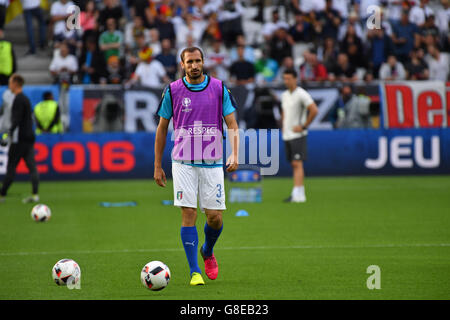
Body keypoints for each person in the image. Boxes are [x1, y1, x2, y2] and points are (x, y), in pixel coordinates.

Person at [154, 46, 239, 286]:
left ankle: (208, 251)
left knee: (214, 218)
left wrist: (235, 154)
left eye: (198, 61)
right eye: (189, 61)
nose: (194, 65)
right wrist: (158, 165)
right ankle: (194, 272)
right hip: (183, 163)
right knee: (189, 213)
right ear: (182, 64)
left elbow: (232, 123)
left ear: (203, 62)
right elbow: (162, 128)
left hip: (212, 162)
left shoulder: (219, 88)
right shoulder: (172, 91)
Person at [0, 74, 39, 204]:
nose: (9, 86)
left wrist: (6, 136)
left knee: (11, 167)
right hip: (29, 138)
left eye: (10, 83)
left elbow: (15, 120)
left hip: (19, 139)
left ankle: (2, 195)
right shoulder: (26, 99)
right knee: (32, 167)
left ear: (16, 84)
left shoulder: (17, 99)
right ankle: (35, 195)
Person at [280, 69, 318, 203]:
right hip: (287, 134)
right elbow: (284, 112)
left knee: (297, 163)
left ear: (295, 79)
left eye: (289, 78)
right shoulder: (284, 95)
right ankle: (297, 192)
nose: (286, 81)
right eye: (284, 78)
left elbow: (314, 109)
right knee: (293, 164)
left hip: (298, 134)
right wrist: (284, 126)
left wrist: (304, 126)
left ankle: (299, 195)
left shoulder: (301, 94)